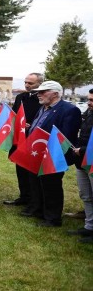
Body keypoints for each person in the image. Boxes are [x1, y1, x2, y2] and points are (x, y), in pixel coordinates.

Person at [24, 81, 80, 227]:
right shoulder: (43, 108)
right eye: (39, 92)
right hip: (37, 153)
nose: (39, 94)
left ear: (55, 93)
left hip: (53, 156)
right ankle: (39, 210)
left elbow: (66, 136)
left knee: (51, 186)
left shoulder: (69, 110)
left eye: (43, 92)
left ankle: (53, 218)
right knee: (37, 184)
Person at [3, 73, 43, 207]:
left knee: (31, 172)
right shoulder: (20, 97)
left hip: (34, 141)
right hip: (19, 139)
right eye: (26, 82)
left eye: (30, 83)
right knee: (20, 170)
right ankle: (23, 196)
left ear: (39, 84)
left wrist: (31, 125)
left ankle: (34, 200)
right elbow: (15, 115)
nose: (27, 85)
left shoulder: (42, 99)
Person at [70, 89, 93, 243]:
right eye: (89, 99)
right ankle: (89, 226)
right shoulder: (88, 113)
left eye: (92, 100)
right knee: (86, 195)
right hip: (81, 161)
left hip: (90, 159)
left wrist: (83, 150)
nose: (89, 103)